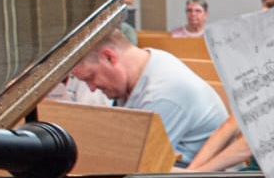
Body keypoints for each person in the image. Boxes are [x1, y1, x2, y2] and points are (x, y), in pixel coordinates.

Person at [69, 29, 228, 166]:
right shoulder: (145, 63)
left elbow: (136, 165)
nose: (92, 88)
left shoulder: (163, 93)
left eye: (91, 77)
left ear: (109, 57)